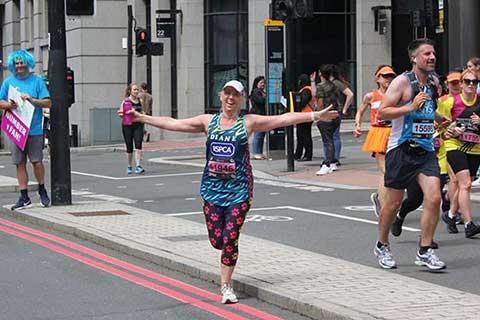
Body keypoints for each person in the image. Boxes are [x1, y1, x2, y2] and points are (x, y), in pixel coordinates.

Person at [127, 79, 338, 304]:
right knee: (217, 240)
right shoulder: (208, 122)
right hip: (211, 190)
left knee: (230, 238)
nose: (230, 98)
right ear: (220, 96)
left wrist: (315, 116)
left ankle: (226, 286)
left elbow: (283, 119)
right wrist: (143, 118)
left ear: (241, 99)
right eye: (227, 93)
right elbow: (174, 123)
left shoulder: (247, 122)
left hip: (239, 192)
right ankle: (225, 265)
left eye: (235, 94)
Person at [375, 38, 446, 270]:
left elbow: (428, 108)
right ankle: (382, 245)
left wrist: (441, 121)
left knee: (434, 197)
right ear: (414, 58)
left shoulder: (434, 82)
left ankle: (425, 250)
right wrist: (410, 107)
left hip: (425, 150)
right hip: (401, 149)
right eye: (426, 54)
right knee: (393, 204)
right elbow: (383, 113)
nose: (432, 57)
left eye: (433, 53)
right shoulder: (402, 82)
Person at [0, 50, 51, 209]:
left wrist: (32, 99)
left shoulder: (37, 82)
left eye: (22, 63)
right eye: (16, 63)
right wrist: (9, 105)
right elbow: (1, 102)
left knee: (37, 162)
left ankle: (42, 190)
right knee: (19, 163)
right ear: (13, 65)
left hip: (34, 128)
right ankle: (24, 196)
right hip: (16, 129)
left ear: (28, 63)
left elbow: (48, 103)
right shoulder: (8, 82)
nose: (19, 66)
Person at [436, 68, 480, 238]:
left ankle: (451, 214)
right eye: (467, 81)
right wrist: (449, 132)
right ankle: (469, 224)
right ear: (461, 84)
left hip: (475, 146)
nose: (471, 85)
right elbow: (439, 125)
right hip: (454, 146)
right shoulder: (450, 102)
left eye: (474, 82)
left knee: (464, 185)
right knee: (466, 184)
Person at [354, 65, 396, 217]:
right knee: (386, 172)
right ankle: (384, 207)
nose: (389, 79)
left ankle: (380, 199)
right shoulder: (370, 96)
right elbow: (360, 111)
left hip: (395, 134)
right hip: (378, 133)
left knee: (396, 172)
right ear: (377, 78)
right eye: (385, 76)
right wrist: (357, 125)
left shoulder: (398, 94)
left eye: (391, 76)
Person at [315, 65, 342, 175]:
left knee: (327, 141)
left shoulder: (321, 86)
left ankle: (327, 164)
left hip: (326, 116)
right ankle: (333, 162)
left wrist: (319, 115)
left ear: (321, 74)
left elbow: (320, 102)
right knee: (332, 139)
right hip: (335, 115)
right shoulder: (335, 85)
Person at [329, 64, 354, 164]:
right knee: (334, 136)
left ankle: (333, 158)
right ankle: (334, 158)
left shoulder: (335, 83)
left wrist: (344, 109)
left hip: (334, 111)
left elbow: (350, 94)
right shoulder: (336, 82)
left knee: (332, 136)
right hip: (335, 111)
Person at [118, 84, 145, 174]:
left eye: (137, 89)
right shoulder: (125, 101)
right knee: (129, 147)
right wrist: (122, 114)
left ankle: (138, 165)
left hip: (138, 125)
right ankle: (129, 165)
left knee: (138, 144)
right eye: (134, 90)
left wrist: (143, 116)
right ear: (130, 91)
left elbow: (142, 111)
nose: (136, 91)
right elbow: (121, 112)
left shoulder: (140, 101)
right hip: (127, 125)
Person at [294, 74, 315, 161]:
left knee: (304, 135)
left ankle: (307, 154)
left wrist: (296, 106)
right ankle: (299, 154)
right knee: (302, 135)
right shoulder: (308, 89)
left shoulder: (306, 90)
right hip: (306, 114)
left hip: (305, 114)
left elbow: (303, 101)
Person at [249, 75, 267, 160]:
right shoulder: (255, 92)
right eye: (261, 82)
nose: (263, 84)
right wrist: (266, 97)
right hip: (257, 115)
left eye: (264, 82)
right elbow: (260, 101)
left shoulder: (262, 92)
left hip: (262, 115)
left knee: (261, 134)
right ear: (257, 83)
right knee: (258, 134)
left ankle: (259, 152)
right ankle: (256, 152)